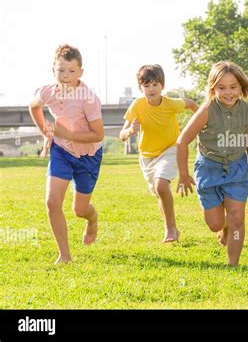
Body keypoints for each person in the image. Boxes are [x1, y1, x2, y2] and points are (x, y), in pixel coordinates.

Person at [176, 61, 248, 267]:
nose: (228, 93)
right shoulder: (206, 110)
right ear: (213, 88)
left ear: (241, 87)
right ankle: (224, 226)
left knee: (237, 218)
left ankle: (233, 264)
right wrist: (184, 175)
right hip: (209, 168)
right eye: (221, 88)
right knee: (214, 224)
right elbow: (182, 141)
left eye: (233, 87)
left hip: (237, 168)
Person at [29, 44, 104, 264]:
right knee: (52, 202)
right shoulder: (47, 92)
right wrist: (46, 133)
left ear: (81, 72)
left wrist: (68, 133)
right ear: (53, 70)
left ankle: (92, 219)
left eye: (71, 71)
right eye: (61, 70)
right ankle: (65, 255)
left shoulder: (88, 99)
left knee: (80, 210)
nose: (66, 76)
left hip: (88, 155)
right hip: (61, 150)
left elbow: (98, 135)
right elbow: (33, 107)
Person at [120, 64, 198, 243]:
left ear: (162, 85)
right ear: (141, 88)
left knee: (161, 186)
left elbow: (193, 105)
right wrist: (131, 130)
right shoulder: (137, 106)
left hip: (171, 149)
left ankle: (170, 229)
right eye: (146, 86)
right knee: (159, 192)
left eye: (155, 84)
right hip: (147, 157)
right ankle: (171, 228)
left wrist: (203, 124)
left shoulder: (171, 103)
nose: (151, 89)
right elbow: (122, 135)